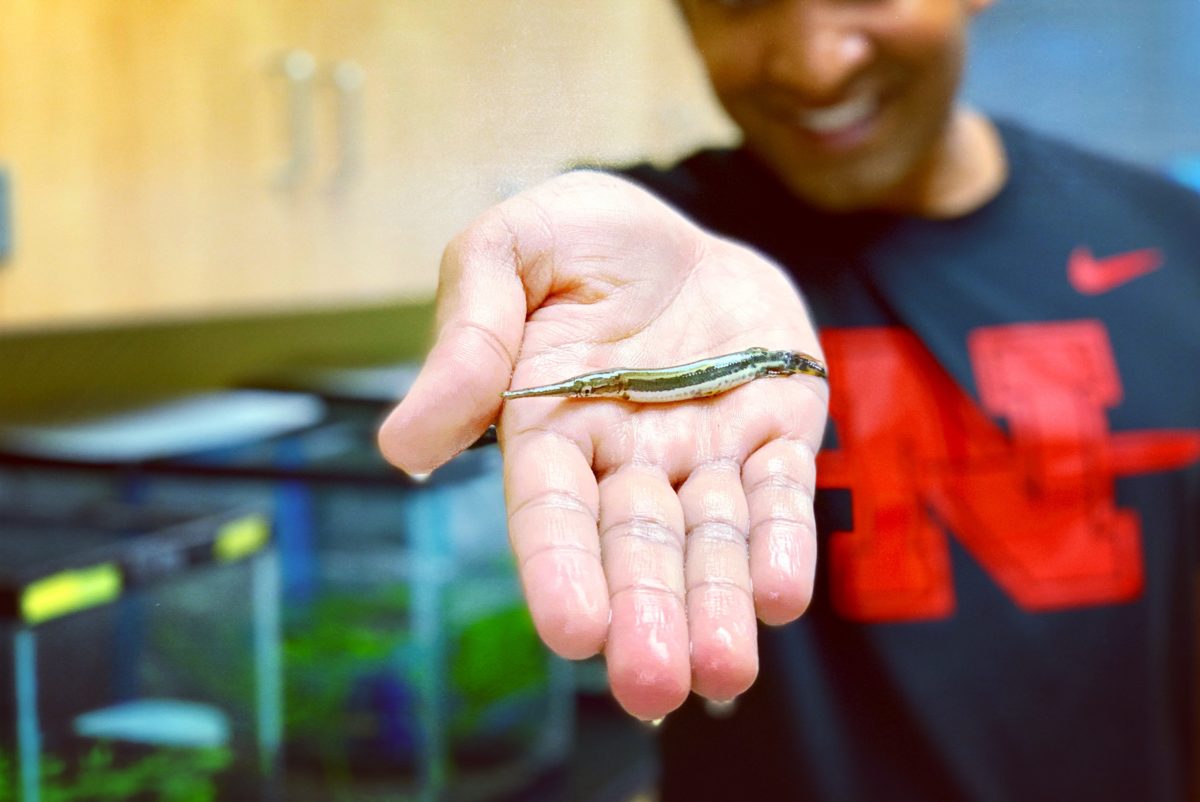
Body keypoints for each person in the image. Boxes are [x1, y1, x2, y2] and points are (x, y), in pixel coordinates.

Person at [378, 0, 1200, 799]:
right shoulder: (643, 266)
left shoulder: (1178, 242)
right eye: (741, 2)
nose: (814, 63)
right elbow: (513, 366)